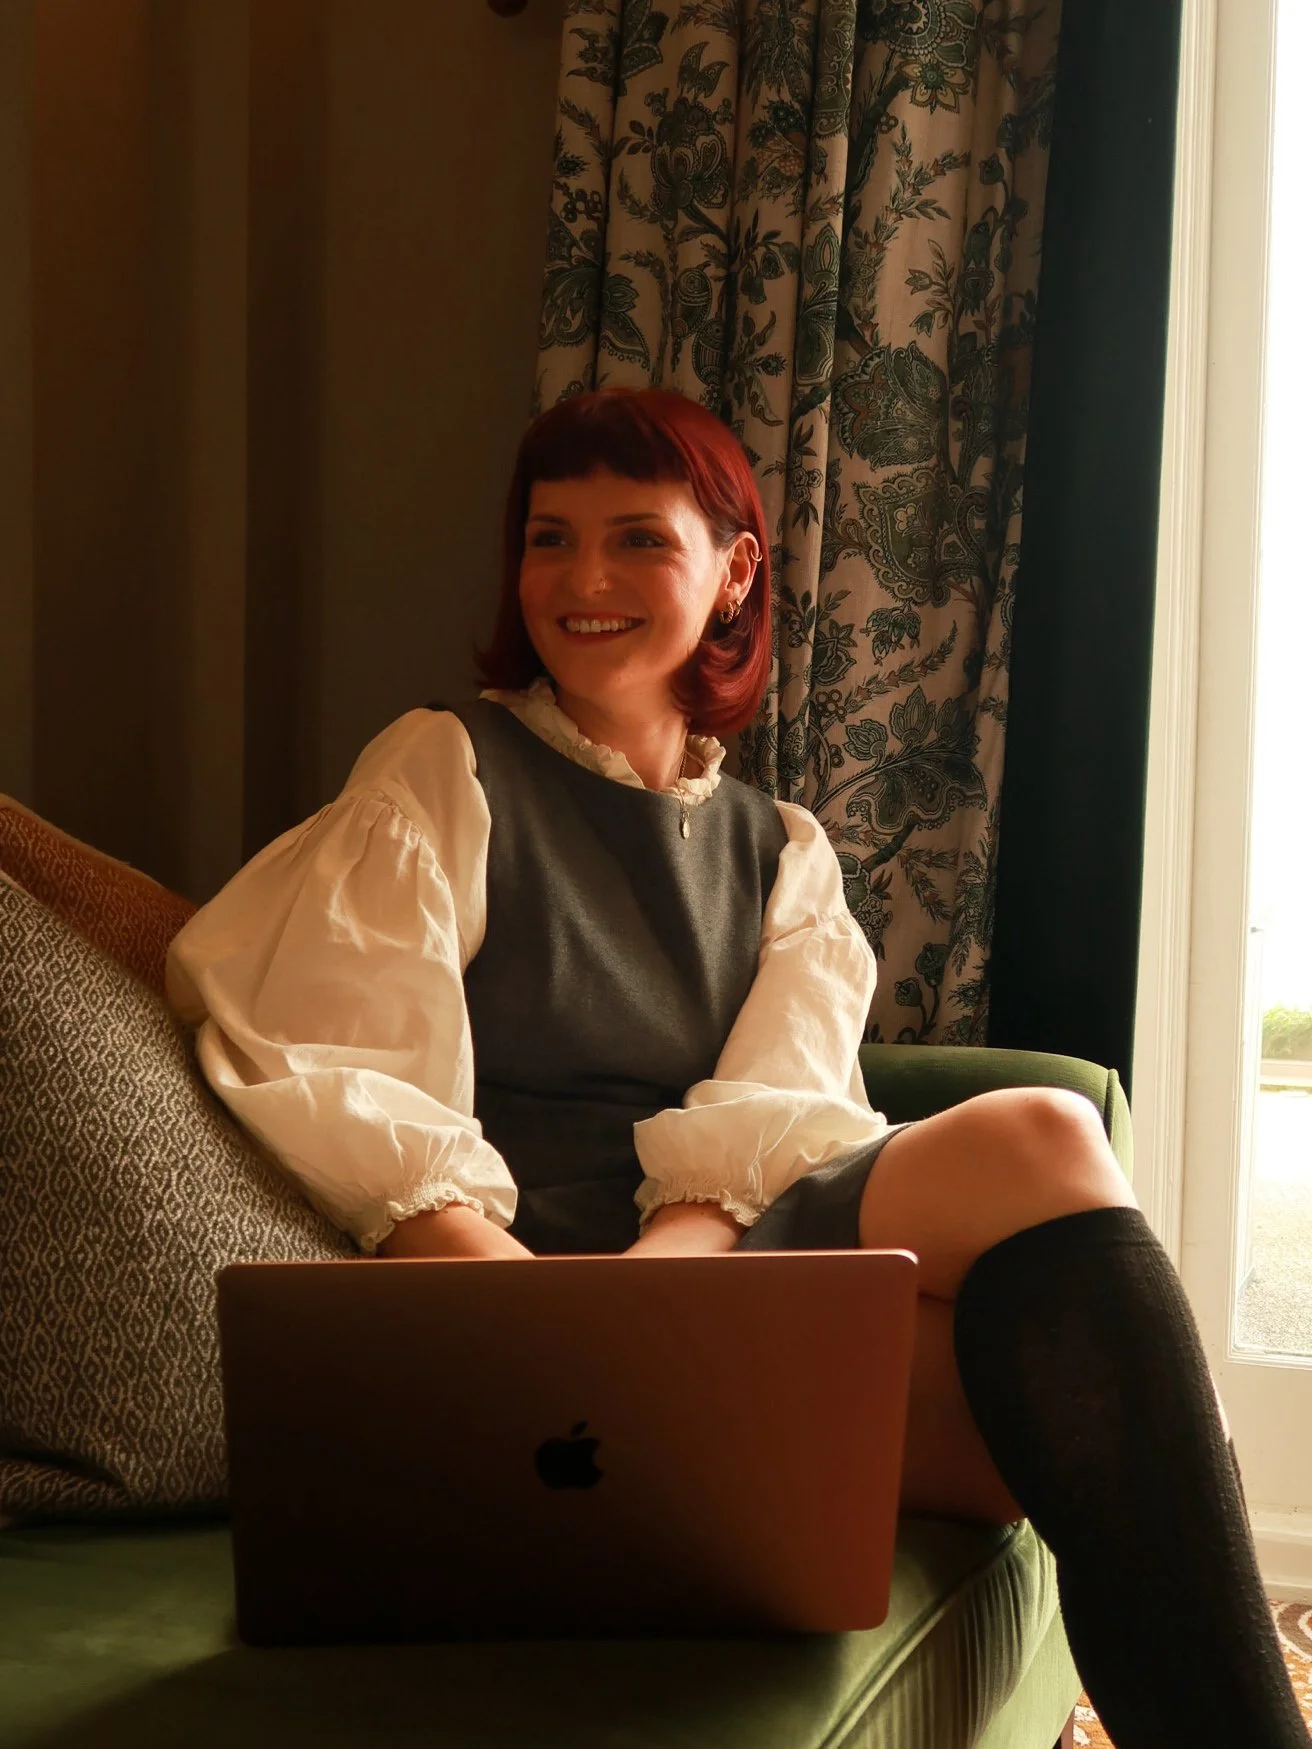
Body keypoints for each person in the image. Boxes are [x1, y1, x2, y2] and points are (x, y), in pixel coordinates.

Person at [166, 386, 1307, 1748]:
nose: (582, 580)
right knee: (1048, 1408)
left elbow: (769, 1124)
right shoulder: (447, 766)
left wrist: (668, 1311)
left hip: (716, 1268)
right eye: (549, 538)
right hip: (519, 1282)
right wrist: (562, 1334)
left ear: (733, 575)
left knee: (1051, 1189)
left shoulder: (783, 848)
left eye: (639, 538)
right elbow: (350, 1076)